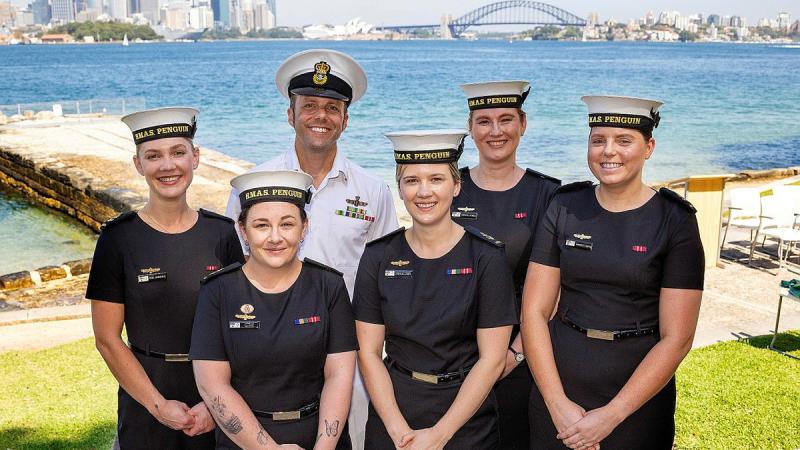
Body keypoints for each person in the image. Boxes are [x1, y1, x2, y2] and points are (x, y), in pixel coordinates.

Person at [225, 50, 399, 449]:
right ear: (290, 114)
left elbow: (385, 278)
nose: (321, 116)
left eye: (333, 108)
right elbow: (236, 271)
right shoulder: (251, 186)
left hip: (351, 351)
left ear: (346, 119)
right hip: (269, 350)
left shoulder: (372, 191)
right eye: (310, 106)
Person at [521, 96, 704, 449]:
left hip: (636, 399)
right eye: (598, 140)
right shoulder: (564, 205)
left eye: (624, 140)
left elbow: (677, 338)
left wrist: (613, 415)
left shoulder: (675, 220)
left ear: (648, 147)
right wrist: (556, 404)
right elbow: (533, 312)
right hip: (557, 386)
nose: (608, 151)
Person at [87, 107, 245, 449]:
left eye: (178, 152)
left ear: (195, 157)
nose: (168, 165)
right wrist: (158, 406)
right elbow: (107, 339)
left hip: (217, 394)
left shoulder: (221, 233)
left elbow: (242, 327)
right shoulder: (117, 239)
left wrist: (214, 406)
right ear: (138, 164)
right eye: (153, 156)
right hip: (146, 399)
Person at [353, 130, 518, 449]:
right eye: (412, 180)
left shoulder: (486, 258)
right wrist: (399, 432)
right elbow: (369, 353)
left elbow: (492, 360)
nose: (424, 191)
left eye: (436, 179)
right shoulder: (378, 256)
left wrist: (440, 434)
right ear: (399, 188)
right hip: (394, 410)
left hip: (465, 418)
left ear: (456, 186)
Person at [191, 170, 358, 449]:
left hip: (321, 438)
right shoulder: (217, 291)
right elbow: (213, 385)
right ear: (243, 230)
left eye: (287, 224)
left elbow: (339, 376)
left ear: (304, 228)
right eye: (261, 225)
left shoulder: (329, 287)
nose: (275, 237)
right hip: (244, 441)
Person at [453, 80, 560, 449]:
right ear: (470, 128)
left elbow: (555, 290)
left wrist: (514, 354)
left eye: (506, 119)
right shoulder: (448, 188)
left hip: (522, 359)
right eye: (484, 121)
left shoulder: (549, 194)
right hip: (455, 358)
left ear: (523, 124)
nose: (495, 131)